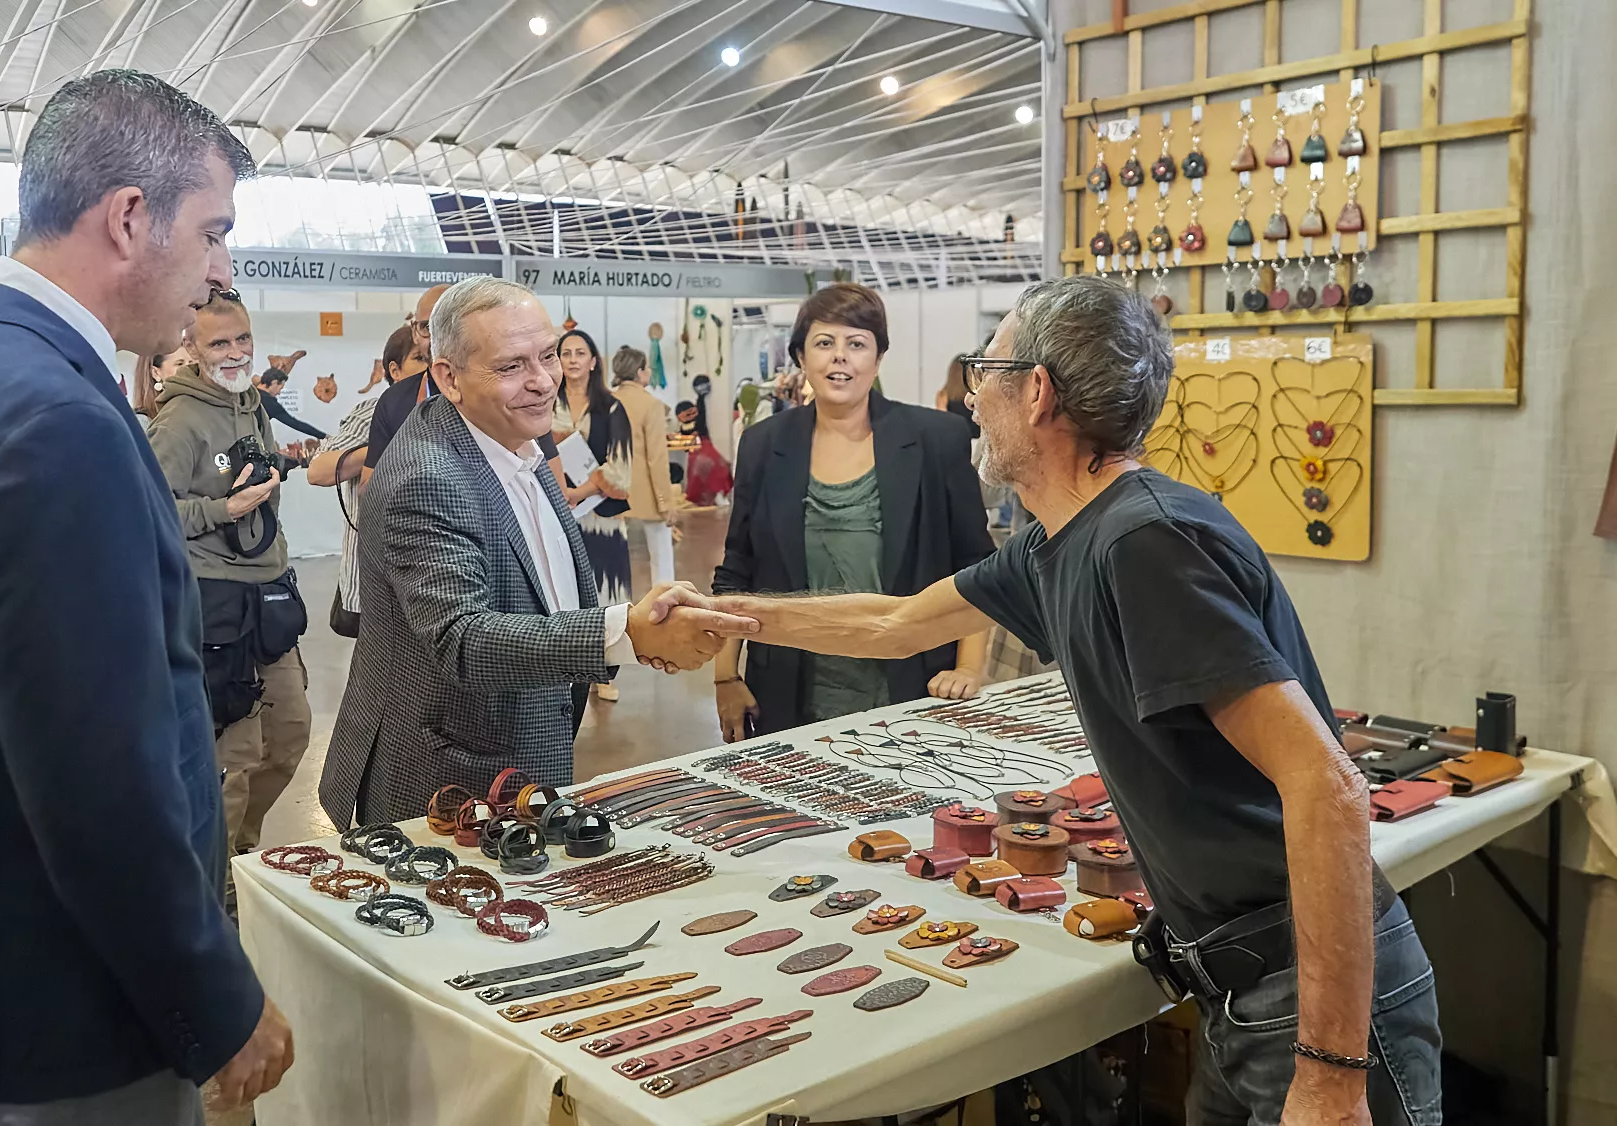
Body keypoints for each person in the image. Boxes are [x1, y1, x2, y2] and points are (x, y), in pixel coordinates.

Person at [651, 275, 1439, 1126]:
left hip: (1308, 1008)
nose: (970, 399)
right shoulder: (1059, 541)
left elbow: (1327, 786)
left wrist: (1328, 1074)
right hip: (1243, 995)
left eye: (984, 370)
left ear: (1036, 393)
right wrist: (725, 615)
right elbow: (897, 623)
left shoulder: (1145, 545)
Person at [0, 69, 292, 1124]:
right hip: (64, 1016)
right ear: (129, 218)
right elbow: (100, 780)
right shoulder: (56, 422)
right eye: (213, 230)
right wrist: (214, 997)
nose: (221, 269)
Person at [318, 277, 754, 827]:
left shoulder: (512, 436)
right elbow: (463, 639)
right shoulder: (426, 477)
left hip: (521, 744)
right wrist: (627, 631)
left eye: (547, 356)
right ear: (448, 377)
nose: (544, 381)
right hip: (451, 776)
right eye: (511, 367)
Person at [711, 283, 994, 742]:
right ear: (801, 357)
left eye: (857, 344)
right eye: (824, 343)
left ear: (878, 359)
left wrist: (968, 667)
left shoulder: (934, 439)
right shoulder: (765, 444)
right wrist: (726, 676)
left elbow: (976, 565)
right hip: (786, 691)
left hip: (914, 687)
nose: (840, 357)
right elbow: (737, 569)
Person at [149, 287, 313, 855]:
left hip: (269, 597)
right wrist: (225, 509)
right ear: (191, 349)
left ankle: (241, 854)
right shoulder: (179, 420)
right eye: (219, 342)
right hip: (216, 609)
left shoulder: (250, 404)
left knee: (290, 740)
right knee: (235, 762)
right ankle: (222, 889)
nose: (236, 351)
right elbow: (149, 513)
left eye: (242, 338)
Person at [361, 283, 563, 489]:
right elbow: (369, 488)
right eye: (428, 328)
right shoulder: (395, 401)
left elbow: (556, 491)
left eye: (548, 355)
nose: (543, 383)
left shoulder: (522, 408)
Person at [308, 324, 428, 632]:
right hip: (375, 581)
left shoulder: (448, 412)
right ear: (395, 370)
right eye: (419, 358)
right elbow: (318, 471)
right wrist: (382, 444)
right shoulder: (374, 411)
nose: (429, 367)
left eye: (434, 358)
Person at [551, 328, 633, 703]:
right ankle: (563, 671)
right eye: (565, 353)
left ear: (593, 361)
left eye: (579, 353)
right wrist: (558, 494)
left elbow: (621, 468)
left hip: (601, 517)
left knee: (605, 596)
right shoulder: (547, 403)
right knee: (563, 593)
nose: (572, 360)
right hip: (556, 515)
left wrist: (579, 491)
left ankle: (604, 673)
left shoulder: (612, 408)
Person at [608, 345, 681, 587]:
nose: (649, 371)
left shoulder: (606, 401)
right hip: (646, 489)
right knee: (661, 554)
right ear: (639, 372)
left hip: (609, 487)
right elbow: (657, 458)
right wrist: (666, 501)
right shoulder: (651, 405)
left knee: (613, 554)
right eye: (647, 367)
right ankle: (665, 601)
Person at [254, 346, 324, 439]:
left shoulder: (248, 393)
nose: (279, 393)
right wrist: (325, 436)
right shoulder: (270, 403)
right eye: (280, 388)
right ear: (274, 383)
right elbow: (296, 424)